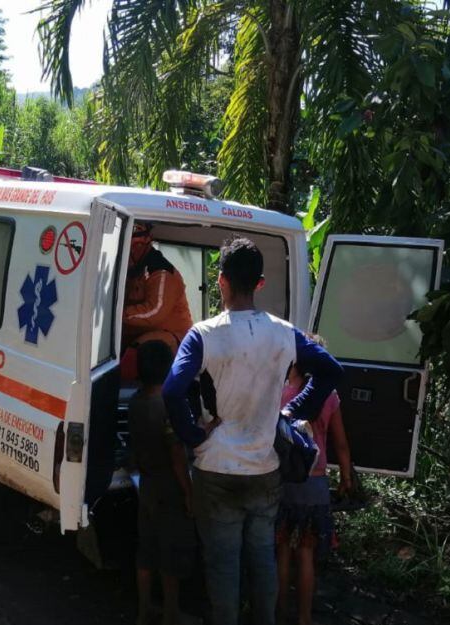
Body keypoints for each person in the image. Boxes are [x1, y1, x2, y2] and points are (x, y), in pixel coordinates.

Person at [162, 237, 343, 625]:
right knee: (263, 556)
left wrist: (195, 437)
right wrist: (294, 411)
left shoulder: (203, 334)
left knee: (223, 564)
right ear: (259, 284)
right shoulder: (284, 333)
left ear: (221, 280)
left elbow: (173, 390)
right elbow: (331, 370)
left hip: (216, 467)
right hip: (265, 467)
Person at [276, 336, 353, 625]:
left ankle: (279, 612)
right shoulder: (329, 396)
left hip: (283, 481)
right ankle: (305, 618)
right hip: (316, 483)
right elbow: (341, 444)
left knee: (282, 550)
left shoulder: (282, 394)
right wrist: (346, 478)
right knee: (306, 554)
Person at [129, 340, 201, 625]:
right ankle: (172, 614)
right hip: (170, 488)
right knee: (171, 554)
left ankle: (143, 611)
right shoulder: (167, 406)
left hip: (146, 486)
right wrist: (188, 493)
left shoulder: (136, 401)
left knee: (146, 550)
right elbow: (176, 455)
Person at [122, 222, 194, 350]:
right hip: (143, 333)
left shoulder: (161, 271)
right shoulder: (135, 270)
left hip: (173, 341)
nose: (130, 251)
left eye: (135, 245)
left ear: (147, 241)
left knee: (148, 349)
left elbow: (155, 311)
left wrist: (117, 316)